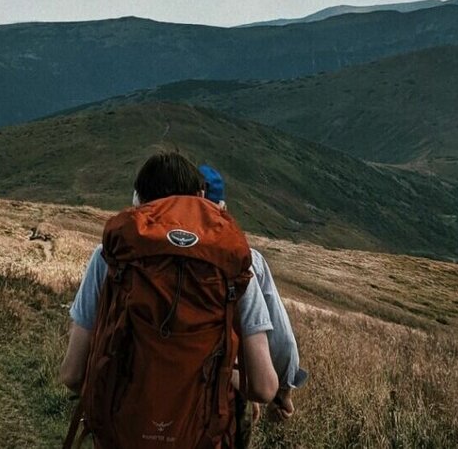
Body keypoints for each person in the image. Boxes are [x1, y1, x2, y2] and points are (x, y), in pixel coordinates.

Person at [59, 151, 278, 448]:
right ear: (201, 200)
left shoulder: (109, 257)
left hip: (122, 436)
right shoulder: (230, 263)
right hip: (201, 439)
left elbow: (72, 374)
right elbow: (264, 387)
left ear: (139, 201)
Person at [197, 164, 307, 426]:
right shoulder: (246, 262)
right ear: (222, 209)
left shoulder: (129, 254)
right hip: (218, 399)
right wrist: (282, 392)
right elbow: (282, 342)